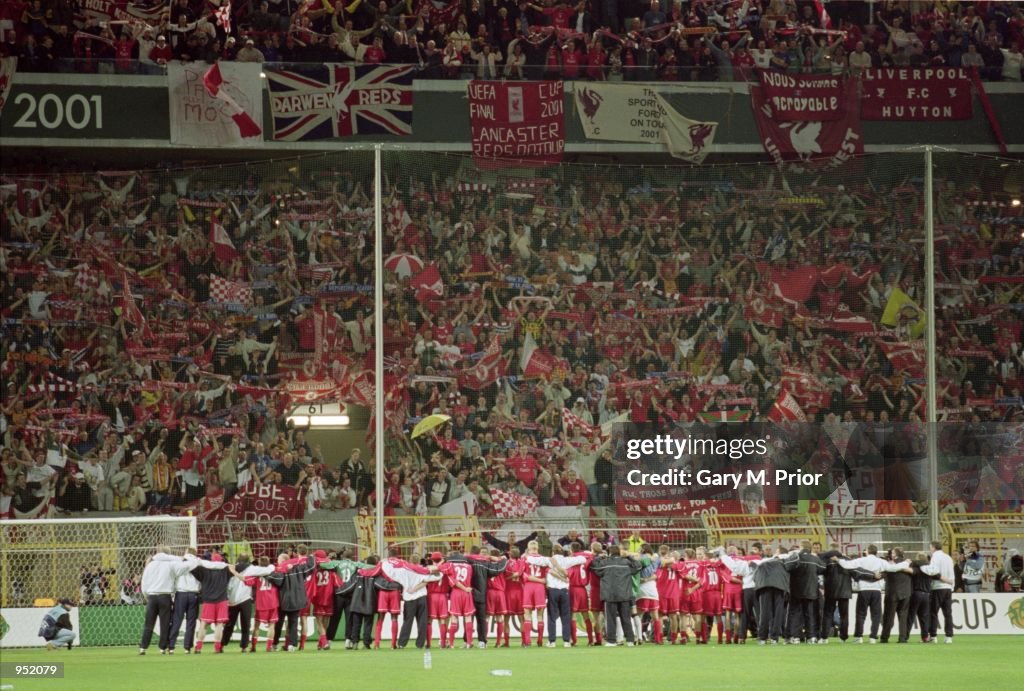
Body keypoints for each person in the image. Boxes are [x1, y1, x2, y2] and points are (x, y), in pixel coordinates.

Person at [526, 544, 586, 647]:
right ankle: (566, 641)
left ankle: (552, 641)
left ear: (552, 552)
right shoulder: (567, 560)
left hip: (553, 591)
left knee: (552, 617)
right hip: (564, 591)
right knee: (565, 617)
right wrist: (573, 556)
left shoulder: (549, 560)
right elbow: (583, 559)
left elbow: (530, 559)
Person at [140, 546, 189, 655]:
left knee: (149, 624)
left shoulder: (150, 565)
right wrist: (183, 559)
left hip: (152, 597)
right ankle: (162, 648)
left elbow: (144, 582)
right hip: (165, 597)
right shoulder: (171, 565)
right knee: (165, 624)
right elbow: (183, 568)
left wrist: (146, 596)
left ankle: (143, 647)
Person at [319, 549, 372, 648]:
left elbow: (323, 565)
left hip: (338, 593)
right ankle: (348, 640)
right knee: (349, 619)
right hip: (351, 594)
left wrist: (326, 559)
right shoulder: (356, 564)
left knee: (335, 618)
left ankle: (329, 640)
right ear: (352, 557)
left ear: (342, 556)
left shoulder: (337, 563)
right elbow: (369, 567)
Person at [835, 545, 888, 644]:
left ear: (867, 551)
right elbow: (890, 569)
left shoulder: (862, 560)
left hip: (864, 590)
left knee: (861, 614)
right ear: (876, 552)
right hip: (877, 590)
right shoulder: (882, 562)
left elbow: (847, 565)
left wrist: (838, 560)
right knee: (876, 615)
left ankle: (859, 637)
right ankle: (873, 637)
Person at [590, 545, 642, 646]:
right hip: (624, 595)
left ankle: (611, 640)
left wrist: (600, 557)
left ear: (609, 553)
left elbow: (593, 566)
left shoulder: (605, 563)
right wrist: (629, 557)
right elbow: (638, 566)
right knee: (626, 618)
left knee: (610, 619)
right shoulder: (626, 563)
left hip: (610, 595)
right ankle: (630, 640)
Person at [222, 553, 274, 653]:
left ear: (238, 559)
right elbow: (268, 570)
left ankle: (222, 645)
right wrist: (272, 565)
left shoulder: (231, 568)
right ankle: (244, 647)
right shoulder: (252, 568)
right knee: (245, 624)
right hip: (245, 600)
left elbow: (227, 585)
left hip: (231, 601)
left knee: (229, 625)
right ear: (248, 560)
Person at [188, 551, 236, 654]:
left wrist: (200, 561)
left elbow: (191, 568)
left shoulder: (204, 569)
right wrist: (226, 564)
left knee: (204, 624)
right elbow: (235, 568)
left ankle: (198, 647)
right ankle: (217, 647)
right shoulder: (225, 569)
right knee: (219, 625)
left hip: (208, 600)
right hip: (222, 600)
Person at [273, 547, 317, 651]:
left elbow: (277, 582)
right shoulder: (299, 569)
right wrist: (310, 556)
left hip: (282, 601)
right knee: (293, 623)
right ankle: (292, 645)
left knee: (278, 624)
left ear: (282, 561)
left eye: (279, 561)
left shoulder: (279, 570)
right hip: (296, 601)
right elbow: (311, 566)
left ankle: (274, 643)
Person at [788, 541, 825, 644]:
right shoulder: (814, 559)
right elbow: (823, 568)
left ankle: (796, 637)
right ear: (810, 548)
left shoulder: (795, 557)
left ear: (801, 547)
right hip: (811, 591)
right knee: (810, 614)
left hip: (796, 591)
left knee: (796, 614)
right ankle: (811, 637)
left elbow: (787, 567)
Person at [920, 540, 956, 644]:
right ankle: (949, 636)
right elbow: (952, 574)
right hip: (948, 588)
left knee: (933, 612)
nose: (930, 549)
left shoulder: (935, 557)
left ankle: (933, 636)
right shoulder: (948, 557)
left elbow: (933, 571)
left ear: (933, 547)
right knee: (948, 613)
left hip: (937, 587)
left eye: (930, 547)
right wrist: (951, 585)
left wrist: (922, 567)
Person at [167, 548, 201, 654]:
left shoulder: (179, 561)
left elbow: (173, 576)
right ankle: (187, 647)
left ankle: (171, 646)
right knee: (191, 621)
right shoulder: (198, 562)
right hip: (194, 594)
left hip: (181, 593)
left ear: (186, 552)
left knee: (177, 619)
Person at [818, 542, 853, 643]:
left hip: (830, 590)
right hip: (845, 591)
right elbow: (855, 573)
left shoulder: (825, 560)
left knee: (827, 614)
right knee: (844, 615)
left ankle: (824, 637)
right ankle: (843, 638)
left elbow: (820, 570)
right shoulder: (847, 560)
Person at [879, 548, 913, 644]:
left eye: (892, 553)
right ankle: (902, 638)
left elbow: (882, 575)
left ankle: (885, 637)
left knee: (889, 617)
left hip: (892, 594)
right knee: (903, 617)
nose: (891, 554)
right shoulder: (909, 564)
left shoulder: (890, 564)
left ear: (895, 554)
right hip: (906, 593)